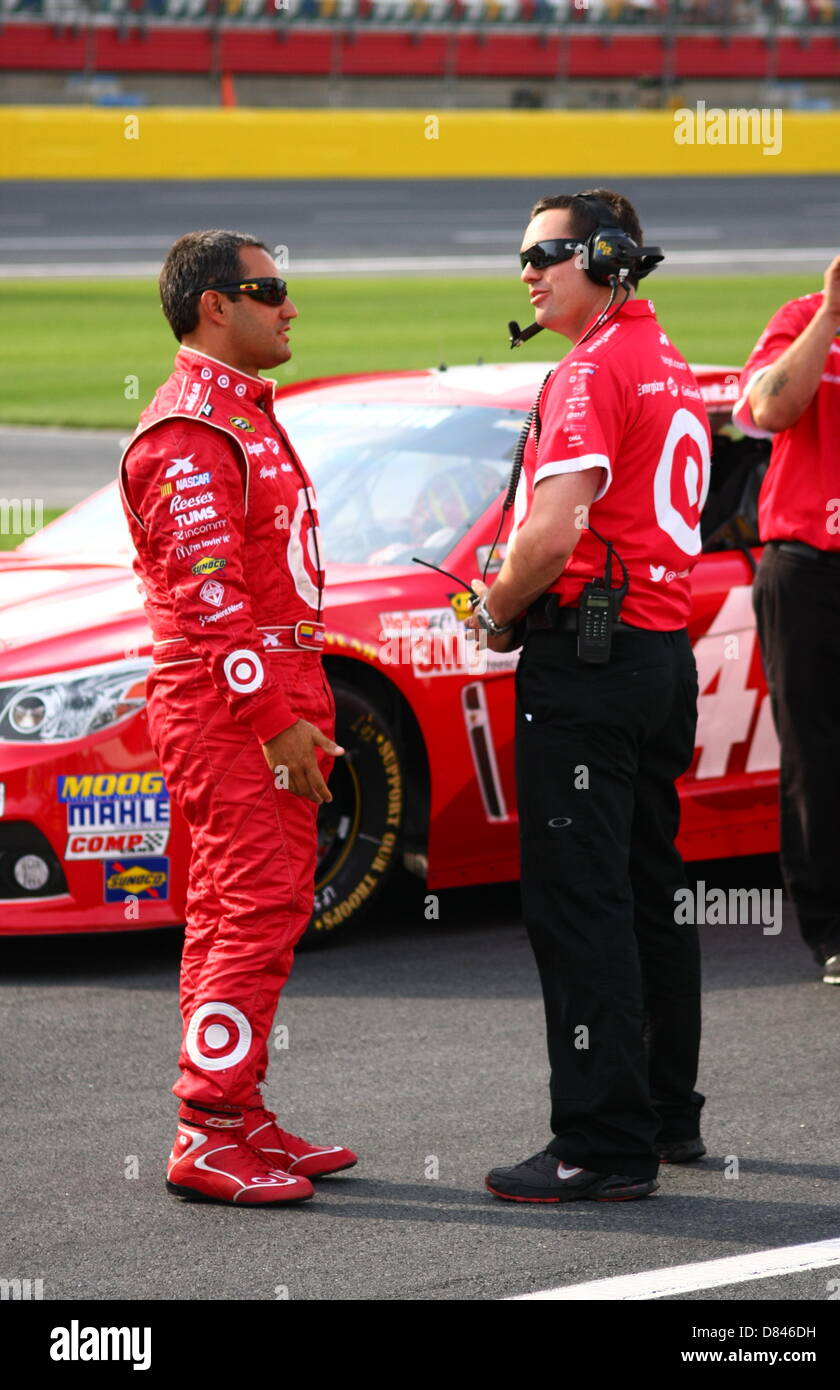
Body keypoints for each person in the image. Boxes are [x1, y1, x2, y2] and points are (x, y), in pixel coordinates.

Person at [467, 190, 711, 1202]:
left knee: (579, 902)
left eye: (547, 253)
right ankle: (662, 1117)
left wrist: (490, 606)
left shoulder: (592, 366)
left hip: (591, 664)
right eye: (521, 253)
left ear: (608, 258)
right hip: (657, 658)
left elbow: (555, 533)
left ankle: (599, 1145)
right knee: (646, 889)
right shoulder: (665, 360)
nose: (526, 270)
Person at [119, 230, 357, 1205]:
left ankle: (235, 1106)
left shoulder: (240, 414)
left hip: (257, 687)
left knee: (234, 908)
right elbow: (211, 595)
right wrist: (271, 717)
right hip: (229, 700)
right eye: (270, 290)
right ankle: (207, 1126)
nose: (289, 306)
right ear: (214, 305)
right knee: (253, 907)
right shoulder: (192, 430)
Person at [733, 181, 840, 988]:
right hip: (812, 572)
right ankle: (837, 931)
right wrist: (831, 313)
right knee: (818, 759)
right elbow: (765, 413)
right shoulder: (802, 316)